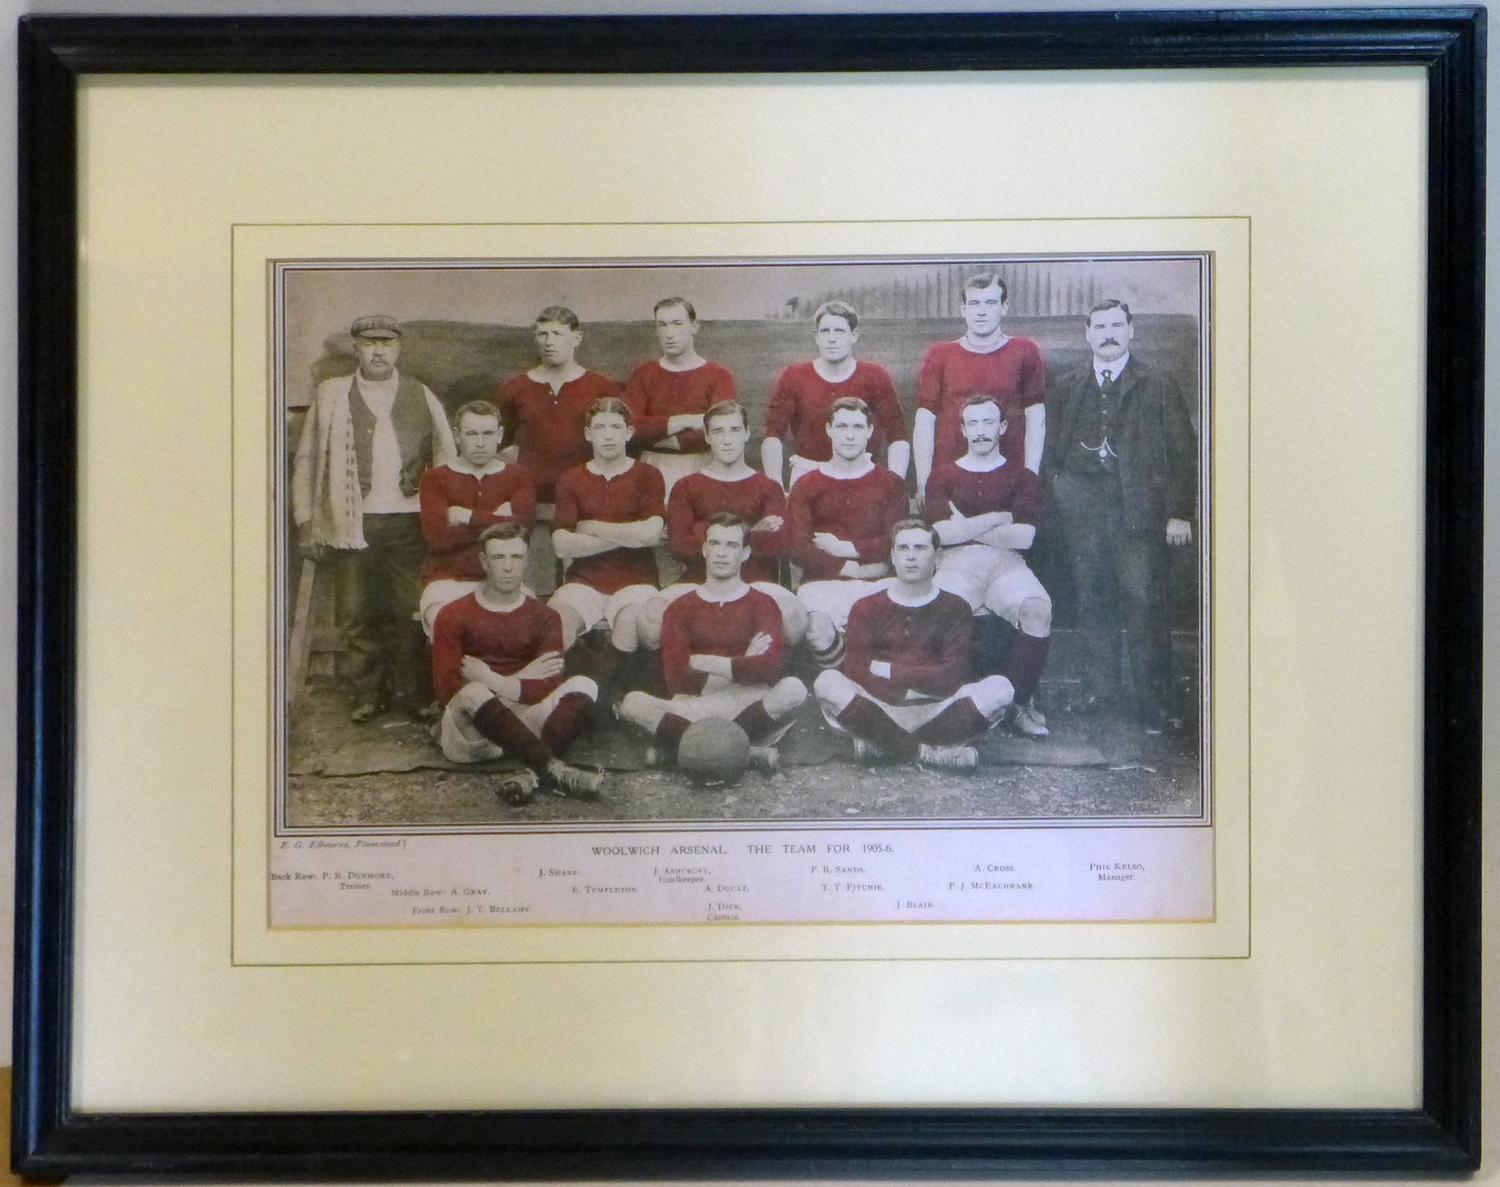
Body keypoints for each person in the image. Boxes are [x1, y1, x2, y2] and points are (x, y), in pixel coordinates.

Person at [290, 314, 456, 723]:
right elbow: (308, 457)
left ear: (399, 348)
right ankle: (368, 695)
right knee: (356, 613)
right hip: (352, 521)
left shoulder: (420, 394)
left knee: (409, 610)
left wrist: (445, 513)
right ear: (356, 349)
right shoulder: (332, 396)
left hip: (408, 521)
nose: (379, 350)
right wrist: (306, 518)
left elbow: (447, 455)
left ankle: (412, 694)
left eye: (387, 343)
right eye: (369, 343)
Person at [1042, 298, 1197, 731]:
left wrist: (1179, 513)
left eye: (1116, 325)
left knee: (1144, 601)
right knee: (1093, 601)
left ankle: (1153, 701)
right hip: (1084, 512)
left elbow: (1182, 453)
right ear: (1087, 333)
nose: (1108, 333)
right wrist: (1063, 496)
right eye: (1100, 326)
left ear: (1132, 331)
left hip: (1139, 511)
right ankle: (1098, 690)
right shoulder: (1069, 385)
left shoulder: (1158, 383)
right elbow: (1052, 452)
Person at [813, 519, 1014, 770]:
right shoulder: (866, 607)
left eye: (920, 548)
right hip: (881, 708)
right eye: (903, 549)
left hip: (938, 710)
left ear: (937, 558)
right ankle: (926, 753)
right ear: (893, 557)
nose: (910, 557)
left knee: (1002, 689)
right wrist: (918, 681)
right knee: (827, 682)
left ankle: (887, 747)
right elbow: (857, 671)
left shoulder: (956, 607)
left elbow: (953, 676)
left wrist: (888, 670)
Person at [619, 515, 808, 774]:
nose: (721, 553)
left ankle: (686, 749)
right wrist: (742, 663)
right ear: (704, 549)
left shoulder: (763, 604)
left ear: (745, 553)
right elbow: (676, 678)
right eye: (715, 544)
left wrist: (704, 661)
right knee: (633, 703)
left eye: (731, 546)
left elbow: (769, 667)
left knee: (793, 689)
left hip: (748, 700)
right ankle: (746, 751)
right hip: (694, 705)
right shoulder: (680, 607)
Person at [431, 523, 603, 802]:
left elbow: (549, 682)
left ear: (527, 562)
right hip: (472, 734)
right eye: (499, 558)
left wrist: (491, 679)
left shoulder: (544, 617)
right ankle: (553, 768)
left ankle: (531, 775)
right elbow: (447, 688)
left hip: (521, 724)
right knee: (472, 692)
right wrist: (522, 678)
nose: (508, 567)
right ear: (484, 562)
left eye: (516, 558)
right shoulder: (453, 614)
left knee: (584, 685)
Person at [927, 395, 1052, 739]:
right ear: (963, 429)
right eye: (974, 424)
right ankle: (950, 706)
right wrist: (1000, 517)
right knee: (941, 612)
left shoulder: (1022, 477)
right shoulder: (942, 475)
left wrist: (966, 526)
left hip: (1006, 564)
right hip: (956, 563)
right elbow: (942, 534)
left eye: (988, 423)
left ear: (1002, 427)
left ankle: (1018, 705)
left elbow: (1025, 537)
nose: (981, 431)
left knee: (1037, 609)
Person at [636, 400, 807, 649]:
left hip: (755, 581)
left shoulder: (768, 487)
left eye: (735, 430)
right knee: (648, 620)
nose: (727, 440)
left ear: (747, 433)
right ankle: (675, 680)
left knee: (795, 616)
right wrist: (751, 529)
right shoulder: (686, 486)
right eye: (718, 431)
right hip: (698, 580)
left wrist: (704, 533)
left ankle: (767, 676)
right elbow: (679, 546)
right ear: (706, 436)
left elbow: (777, 544)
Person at [548, 397, 665, 651]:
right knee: (557, 625)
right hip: (584, 582)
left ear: (629, 432)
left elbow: (651, 535)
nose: (608, 436)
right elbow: (562, 546)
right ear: (588, 434)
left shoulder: (648, 475)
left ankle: (620, 689)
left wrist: (592, 527)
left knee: (631, 625)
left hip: (636, 582)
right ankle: (567, 689)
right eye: (600, 428)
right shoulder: (571, 479)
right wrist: (629, 535)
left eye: (615, 427)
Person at [913, 271, 1045, 497]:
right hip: (951, 479)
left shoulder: (1025, 351)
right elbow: (925, 421)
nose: (982, 311)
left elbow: (1036, 418)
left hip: (1008, 478)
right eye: (974, 303)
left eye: (991, 303)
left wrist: (1030, 477)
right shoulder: (940, 355)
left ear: (1004, 307)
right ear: (963, 310)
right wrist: (924, 480)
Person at [787, 396, 909, 632]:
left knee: (894, 630)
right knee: (816, 630)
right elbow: (798, 547)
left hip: (879, 582)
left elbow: (896, 540)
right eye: (842, 427)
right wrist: (849, 568)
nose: (850, 436)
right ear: (829, 430)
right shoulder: (806, 484)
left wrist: (846, 548)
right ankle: (832, 669)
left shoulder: (890, 483)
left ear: (870, 431)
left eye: (858, 427)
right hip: (822, 584)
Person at [418, 401, 537, 638]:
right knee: (449, 628)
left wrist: (469, 516)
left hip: (504, 581)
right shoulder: (435, 479)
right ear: (457, 436)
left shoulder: (518, 476)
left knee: (524, 631)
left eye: (488, 433)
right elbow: (439, 539)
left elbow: (521, 531)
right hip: (448, 581)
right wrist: (499, 520)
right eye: (471, 434)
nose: (480, 442)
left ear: (500, 435)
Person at [761, 300, 909, 489]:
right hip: (808, 477)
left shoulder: (875, 376)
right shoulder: (794, 376)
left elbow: (898, 437)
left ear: (853, 335)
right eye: (825, 331)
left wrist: (894, 487)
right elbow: (772, 435)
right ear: (816, 337)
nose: (831, 339)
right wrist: (776, 488)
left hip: (861, 477)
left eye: (839, 331)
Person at [493, 306, 619, 501]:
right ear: (535, 338)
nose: (549, 342)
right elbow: (498, 443)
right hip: (527, 498)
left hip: (587, 497)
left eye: (557, 334)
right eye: (543, 334)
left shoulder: (602, 388)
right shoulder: (514, 388)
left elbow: (619, 445)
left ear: (576, 338)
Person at [623, 297, 738, 497]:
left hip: (703, 466)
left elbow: (719, 431)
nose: (669, 333)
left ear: (694, 326)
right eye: (662, 325)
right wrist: (685, 421)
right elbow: (629, 426)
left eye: (677, 324)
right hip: (652, 466)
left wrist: (661, 437)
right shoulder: (644, 373)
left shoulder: (718, 375)